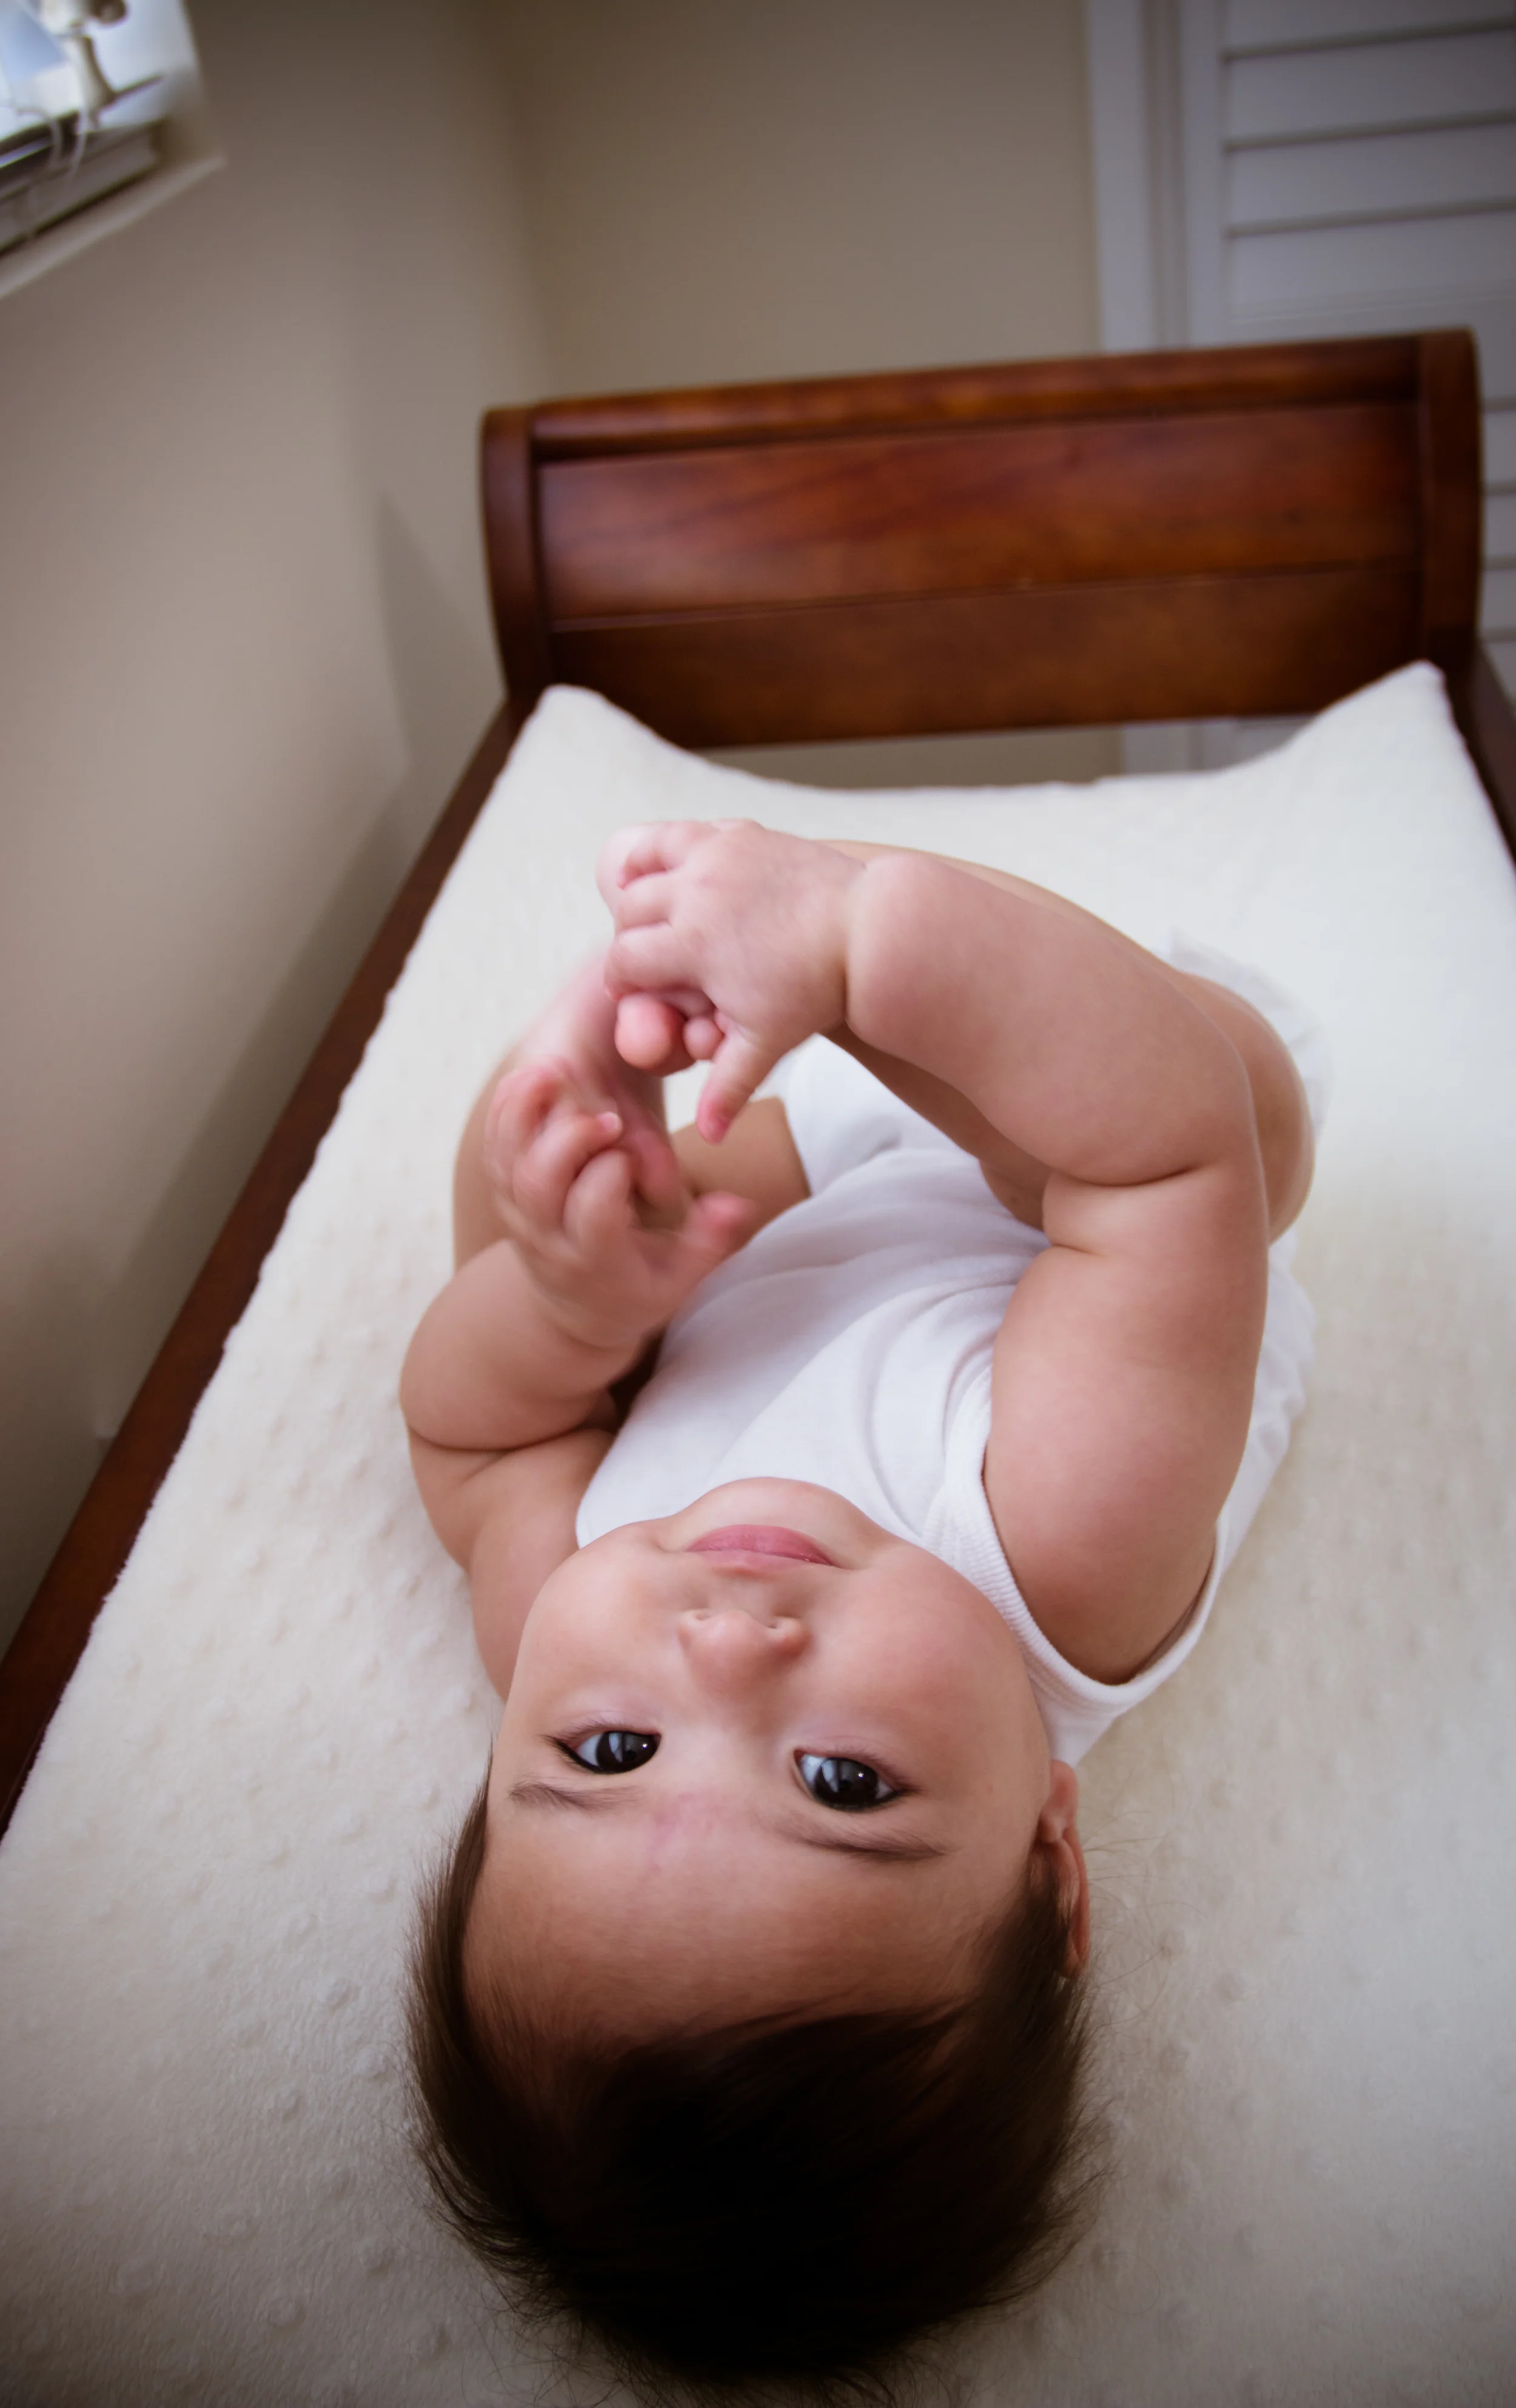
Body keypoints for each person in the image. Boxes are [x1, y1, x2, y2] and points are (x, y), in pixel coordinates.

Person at [401, 820, 1318, 2400]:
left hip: (802, 1207)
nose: (721, 1651)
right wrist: (861, 952)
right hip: (1101, 1192)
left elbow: (473, 1443)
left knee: (524, 1211)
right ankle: (870, 930)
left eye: (611, 1752)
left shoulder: (561, 1614)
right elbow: (1161, 1163)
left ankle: (665, 1113)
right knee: (1244, 1115)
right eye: (840, 1783)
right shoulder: (1061, 1550)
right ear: (1048, 1850)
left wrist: (565, 1306)